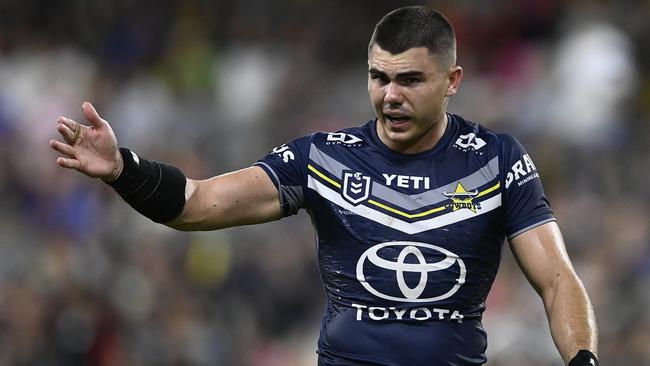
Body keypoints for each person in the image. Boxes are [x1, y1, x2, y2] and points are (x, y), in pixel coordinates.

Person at [49, 6, 599, 366]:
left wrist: (583, 363)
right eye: (379, 77)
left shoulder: (497, 160)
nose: (390, 96)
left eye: (410, 80)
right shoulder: (322, 158)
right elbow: (196, 203)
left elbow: (556, 279)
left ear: (452, 81)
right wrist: (124, 168)